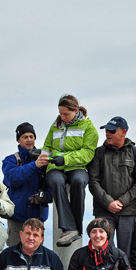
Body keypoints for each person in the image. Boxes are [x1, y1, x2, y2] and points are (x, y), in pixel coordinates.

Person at [39, 94, 98, 247]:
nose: (63, 117)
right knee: (56, 182)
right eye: (60, 113)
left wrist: (65, 159)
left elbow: (87, 153)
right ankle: (68, 228)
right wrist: (42, 155)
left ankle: (76, 228)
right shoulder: (55, 126)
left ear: (76, 110)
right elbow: (48, 147)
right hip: (55, 167)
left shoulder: (89, 128)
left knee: (79, 181)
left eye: (66, 113)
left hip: (77, 166)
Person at [87, 116, 136, 254]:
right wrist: (108, 202)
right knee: (104, 250)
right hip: (103, 210)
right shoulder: (98, 153)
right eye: (107, 130)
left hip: (127, 212)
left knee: (126, 252)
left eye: (112, 131)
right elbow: (92, 181)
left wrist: (121, 202)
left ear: (124, 132)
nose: (108, 133)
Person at [1, 122, 52, 247]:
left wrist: (44, 197)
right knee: (14, 259)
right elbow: (13, 178)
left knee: (36, 261)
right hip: (16, 220)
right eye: (25, 137)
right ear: (18, 140)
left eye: (31, 136)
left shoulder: (44, 160)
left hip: (37, 222)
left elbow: (53, 188)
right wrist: (34, 165)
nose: (29, 140)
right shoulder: (11, 160)